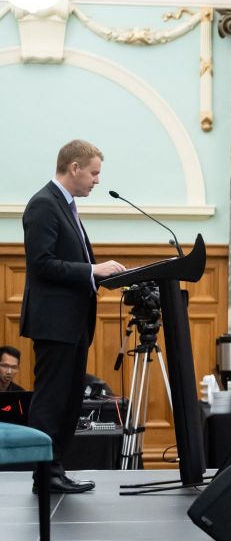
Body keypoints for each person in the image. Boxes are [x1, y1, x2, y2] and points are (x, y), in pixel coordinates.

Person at [22, 140, 127, 496]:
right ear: (74, 168)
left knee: (68, 401)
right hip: (54, 324)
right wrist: (93, 270)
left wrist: (98, 276)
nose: (97, 180)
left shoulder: (65, 206)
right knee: (51, 401)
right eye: (94, 172)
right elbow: (41, 263)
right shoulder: (43, 205)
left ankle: (55, 470)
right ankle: (44, 474)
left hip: (73, 322)